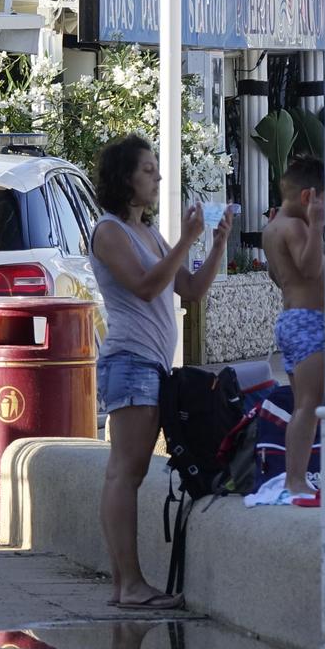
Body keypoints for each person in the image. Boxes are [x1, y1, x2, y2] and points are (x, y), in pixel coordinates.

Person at [89, 135, 236, 611]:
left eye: (156, 168)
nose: (156, 177)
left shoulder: (150, 233)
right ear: (124, 178)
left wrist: (215, 245)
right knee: (125, 472)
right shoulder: (110, 231)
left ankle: (126, 585)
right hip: (129, 361)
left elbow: (189, 289)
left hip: (150, 363)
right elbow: (149, 287)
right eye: (148, 170)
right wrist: (188, 240)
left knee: (129, 472)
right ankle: (128, 585)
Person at [263, 158, 325, 507]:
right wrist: (317, 227)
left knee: (308, 403)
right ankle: (296, 479)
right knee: (309, 405)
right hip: (309, 322)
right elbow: (310, 267)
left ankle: (298, 476)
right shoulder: (297, 227)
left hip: (292, 321)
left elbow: (280, 275)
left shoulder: (273, 228)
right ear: (309, 197)